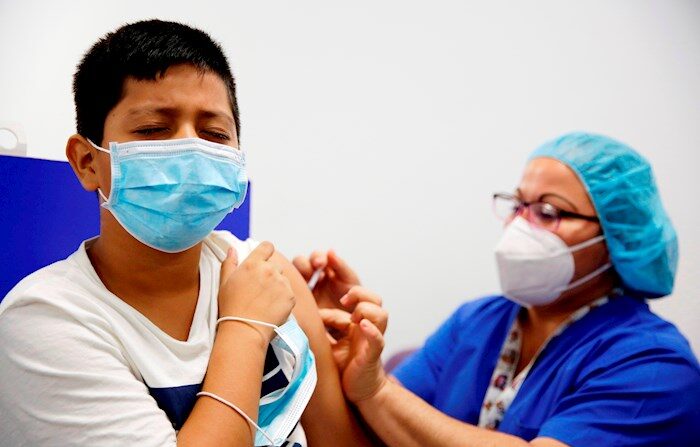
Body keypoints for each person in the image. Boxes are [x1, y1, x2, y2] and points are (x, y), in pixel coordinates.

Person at [0, 20, 372, 447]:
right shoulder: (45, 321)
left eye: (214, 134)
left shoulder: (268, 276)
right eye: (153, 130)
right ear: (87, 161)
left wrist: (368, 385)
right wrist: (245, 330)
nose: (191, 150)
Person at [295, 132, 700, 446]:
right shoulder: (478, 320)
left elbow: (385, 401)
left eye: (547, 211)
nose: (520, 224)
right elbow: (381, 431)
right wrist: (333, 343)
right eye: (518, 204)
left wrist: (378, 390)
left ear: (615, 238)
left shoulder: (655, 367)